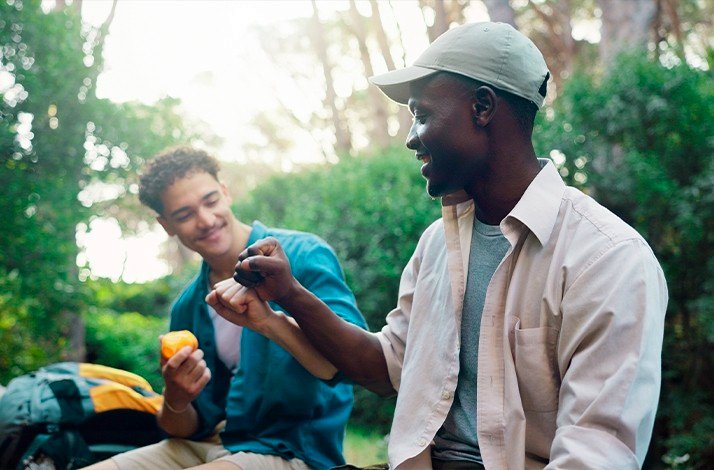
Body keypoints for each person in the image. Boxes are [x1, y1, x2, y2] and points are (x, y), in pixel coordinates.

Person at [207, 22, 668, 469]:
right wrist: (290, 295)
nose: (411, 138)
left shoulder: (607, 260)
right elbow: (386, 367)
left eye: (422, 115)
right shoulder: (436, 245)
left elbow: (595, 453)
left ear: (482, 107)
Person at [84, 146, 366, 470]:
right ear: (166, 225)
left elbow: (351, 364)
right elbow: (185, 426)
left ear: (225, 192)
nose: (205, 220)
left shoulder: (303, 255)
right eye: (185, 214)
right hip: (207, 444)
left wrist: (272, 323)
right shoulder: (187, 307)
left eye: (210, 201)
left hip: (291, 450)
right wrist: (176, 398)